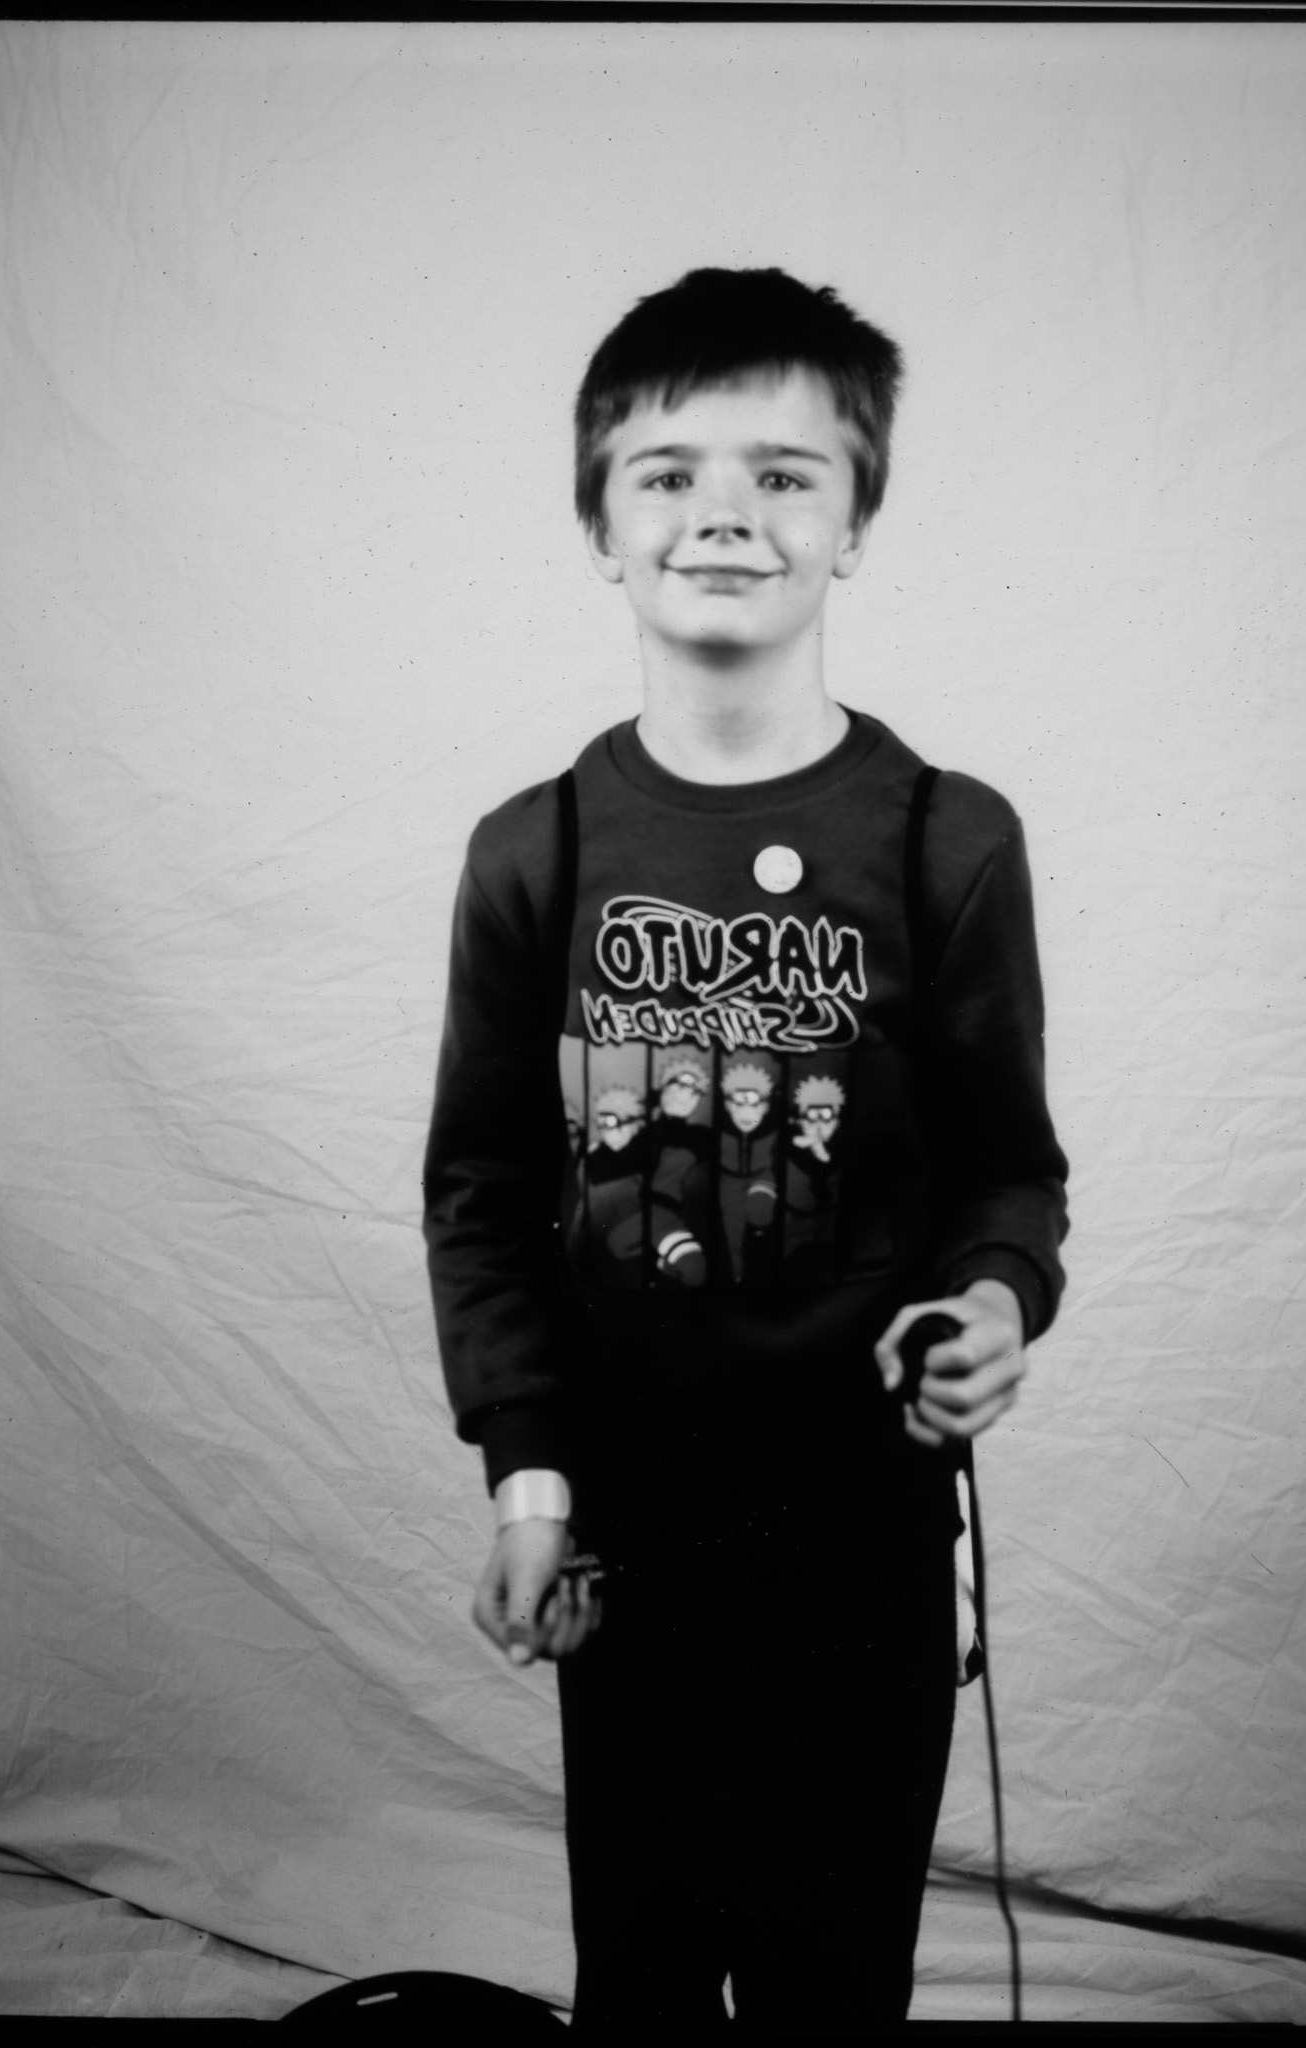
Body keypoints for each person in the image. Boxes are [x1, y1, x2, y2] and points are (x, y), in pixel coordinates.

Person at [423, 267, 1068, 2032]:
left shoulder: (948, 838)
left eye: (785, 473)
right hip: (628, 1529)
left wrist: (996, 1301)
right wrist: (533, 1478)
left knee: (827, 1979)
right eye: (669, 471)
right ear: (598, 525)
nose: (725, 510)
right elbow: (479, 1196)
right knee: (636, 1968)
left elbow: (1011, 1170)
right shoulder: (533, 850)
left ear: (856, 519)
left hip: (861, 1536)